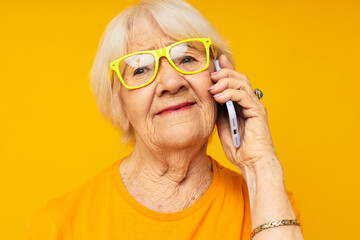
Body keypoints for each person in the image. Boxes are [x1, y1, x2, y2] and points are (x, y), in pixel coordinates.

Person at [23, 0, 304, 239]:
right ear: (119, 103)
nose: (171, 81)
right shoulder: (58, 226)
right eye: (141, 68)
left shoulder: (267, 201)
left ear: (221, 75)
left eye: (187, 59)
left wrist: (261, 164)